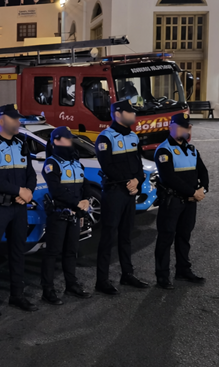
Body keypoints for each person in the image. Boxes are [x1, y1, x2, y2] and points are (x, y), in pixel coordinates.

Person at [0, 104, 38, 316]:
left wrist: (28, 191)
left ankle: (17, 296)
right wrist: (19, 191)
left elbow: (30, 173)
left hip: (18, 208)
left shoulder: (21, 144)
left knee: (17, 252)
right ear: (1, 121)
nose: (18, 122)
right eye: (14, 119)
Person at [93, 100, 149, 295]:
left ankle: (127, 274)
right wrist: (129, 182)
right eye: (130, 112)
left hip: (129, 193)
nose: (134, 115)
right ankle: (102, 280)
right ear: (118, 114)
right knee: (108, 236)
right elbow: (107, 166)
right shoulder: (105, 138)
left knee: (126, 235)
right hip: (114, 192)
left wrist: (137, 182)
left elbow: (138, 165)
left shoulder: (133, 136)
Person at [153, 113, 209, 289]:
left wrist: (203, 190)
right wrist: (193, 192)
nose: (186, 129)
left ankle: (183, 270)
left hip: (190, 202)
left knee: (184, 236)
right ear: (172, 127)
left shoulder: (192, 150)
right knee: (166, 238)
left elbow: (203, 172)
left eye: (188, 126)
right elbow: (169, 178)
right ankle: (162, 276)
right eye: (182, 126)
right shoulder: (164, 150)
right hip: (172, 202)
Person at [40, 126, 93, 305]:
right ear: (56, 141)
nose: (70, 142)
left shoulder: (76, 162)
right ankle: (48, 290)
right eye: (67, 139)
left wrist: (85, 199)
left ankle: (72, 284)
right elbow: (57, 191)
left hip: (74, 215)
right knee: (52, 253)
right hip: (59, 215)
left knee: (71, 252)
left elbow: (84, 184)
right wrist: (76, 203)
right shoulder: (51, 163)